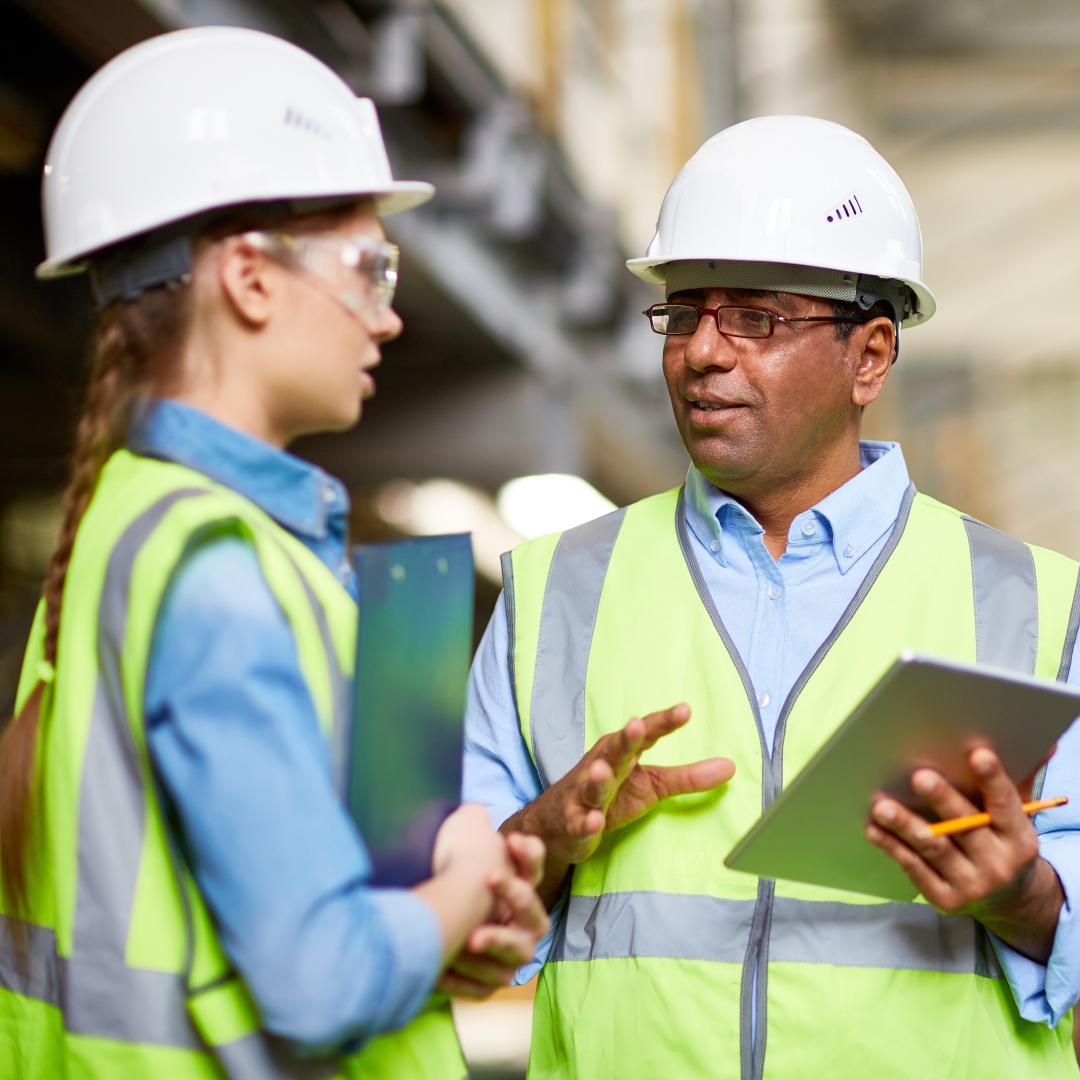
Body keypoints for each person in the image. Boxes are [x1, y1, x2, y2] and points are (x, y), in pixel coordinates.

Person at [464, 115, 1080, 1077]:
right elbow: (448, 925)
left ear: (869, 356)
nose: (703, 352)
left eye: (755, 317)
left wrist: (1023, 896)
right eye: (684, 311)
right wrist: (538, 841)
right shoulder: (554, 591)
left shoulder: (1034, 605)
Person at [0, 27, 548, 1079]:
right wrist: (465, 879)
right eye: (369, 267)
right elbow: (320, 984)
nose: (387, 317)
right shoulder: (214, 570)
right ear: (250, 278)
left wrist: (446, 926)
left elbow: (239, 929)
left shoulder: (131, 534)